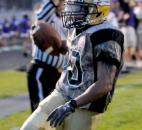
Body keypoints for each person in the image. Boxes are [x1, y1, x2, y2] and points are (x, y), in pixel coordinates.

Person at [20, 0, 124, 130]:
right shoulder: (77, 29)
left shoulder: (107, 35)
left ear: (97, 10)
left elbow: (104, 84)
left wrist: (72, 105)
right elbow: (75, 50)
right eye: (71, 7)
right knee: (30, 128)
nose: (71, 12)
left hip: (85, 104)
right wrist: (53, 45)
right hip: (62, 92)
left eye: (77, 8)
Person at [27, 0, 67, 112]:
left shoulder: (63, 20)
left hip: (58, 73)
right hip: (42, 70)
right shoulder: (48, 17)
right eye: (63, 2)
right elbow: (41, 16)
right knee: (40, 113)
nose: (66, 5)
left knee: (55, 114)